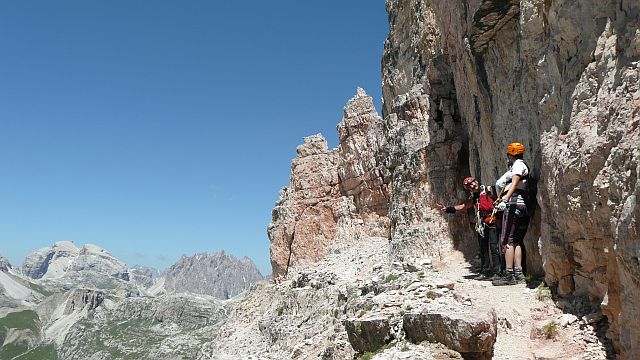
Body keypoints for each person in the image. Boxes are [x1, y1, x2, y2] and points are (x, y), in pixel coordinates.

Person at [437, 177, 502, 280]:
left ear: (476, 181)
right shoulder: (475, 197)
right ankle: (485, 271)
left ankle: (498, 272)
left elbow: (500, 200)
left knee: (494, 247)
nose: (472, 186)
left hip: (493, 221)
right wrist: (448, 209)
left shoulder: (490, 190)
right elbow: (464, 206)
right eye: (469, 186)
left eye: (472, 183)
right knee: (483, 247)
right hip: (482, 223)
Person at [492, 142, 530, 286]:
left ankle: (509, 274)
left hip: (514, 204)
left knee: (507, 240)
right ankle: (519, 274)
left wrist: (505, 199)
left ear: (510, 154)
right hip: (521, 205)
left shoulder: (518, 166)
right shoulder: (518, 166)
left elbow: (514, 183)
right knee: (516, 241)